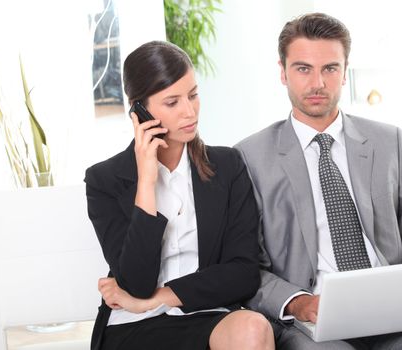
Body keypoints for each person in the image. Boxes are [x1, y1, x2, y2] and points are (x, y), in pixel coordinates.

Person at [235, 13, 402, 350]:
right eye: (303, 68)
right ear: (283, 72)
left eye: (330, 68)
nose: (317, 83)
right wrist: (297, 302)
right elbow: (246, 267)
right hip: (312, 320)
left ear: (345, 69)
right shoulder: (249, 157)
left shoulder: (389, 141)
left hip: (396, 313)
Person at [85, 41, 274, 350]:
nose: (189, 111)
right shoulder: (103, 180)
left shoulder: (227, 166)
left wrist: (158, 298)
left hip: (206, 313)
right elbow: (136, 283)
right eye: (172, 102)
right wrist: (147, 181)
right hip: (133, 326)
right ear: (139, 110)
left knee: (253, 328)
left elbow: (243, 273)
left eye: (193, 95)